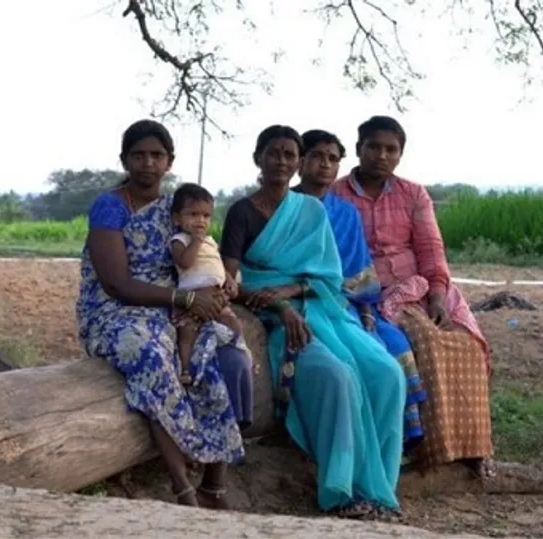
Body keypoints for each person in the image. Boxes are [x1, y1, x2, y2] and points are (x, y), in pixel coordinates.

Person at [220, 125, 407, 520]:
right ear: (258, 158)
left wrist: (289, 294)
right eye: (274, 153)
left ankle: (380, 490)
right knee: (336, 376)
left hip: (325, 311)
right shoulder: (242, 212)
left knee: (388, 373)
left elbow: (328, 277)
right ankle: (340, 490)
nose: (282, 162)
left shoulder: (311, 211)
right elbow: (230, 281)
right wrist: (281, 309)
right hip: (275, 320)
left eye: (290, 154)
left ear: (298, 161)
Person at [75, 119, 253, 510]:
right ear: (123, 159)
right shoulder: (110, 206)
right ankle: (181, 488)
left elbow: (198, 256)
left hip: (171, 303)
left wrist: (220, 287)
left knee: (218, 349)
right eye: (138, 155)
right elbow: (116, 284)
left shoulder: (176, 209)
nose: (147, 163)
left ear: (169, 162)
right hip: (115, 312)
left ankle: (214, 482)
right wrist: (185, 302)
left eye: (157, 155)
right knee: (151, 354)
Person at [331, 115, 495, 478]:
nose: (382, 155)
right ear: (358, 150)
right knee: (425, 340)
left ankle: (471, 447)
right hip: (367, 291)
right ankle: (428, 447)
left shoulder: (413, 193)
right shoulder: (335, 195)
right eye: (374, 147)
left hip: (417, 286)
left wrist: (437, 293)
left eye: (391, 149)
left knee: (465, 342)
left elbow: (430, 247)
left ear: (401, 155)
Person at [294, 129, 426, 455]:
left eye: (332, 159)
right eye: (316, 157)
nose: (324, 165)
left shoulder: (345, 213)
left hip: (347, 306)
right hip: (297, 303)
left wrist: (364, 306)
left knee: (395, 351)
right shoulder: (283, 207)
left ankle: (397, 445)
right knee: (345, 366)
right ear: (300, 161)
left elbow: (361, 276)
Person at [169, 183, 245, 386]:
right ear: (178, 218)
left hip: (216, 297)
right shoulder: (180, 240)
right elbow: (184, 262)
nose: (200, 221)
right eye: (193, 215)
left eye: (205, 216)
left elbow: (217, 264)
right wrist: (195, 241)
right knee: (186, 332)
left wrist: (229, 279)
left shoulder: (211, 241)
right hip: (191, 299)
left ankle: (245, 354)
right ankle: (184, 368)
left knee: (234, 323)